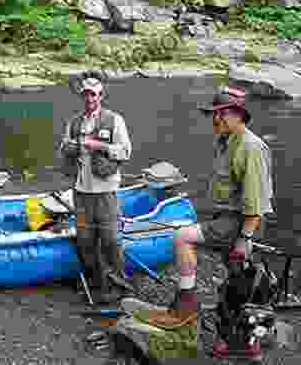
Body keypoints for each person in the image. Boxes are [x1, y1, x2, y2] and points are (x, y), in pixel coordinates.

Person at [139, 85, 274, 361]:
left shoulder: (251, 147)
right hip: (227, 220)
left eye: (221, 114)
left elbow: (257, 202)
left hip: (241, 223)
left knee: (183, 237)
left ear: (238, 114)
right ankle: (239, 342)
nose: (215, 119)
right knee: (237, 284)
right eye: (214, 113)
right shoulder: (226, 142)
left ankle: (187, 304)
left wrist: (245, 239)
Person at [59, 72, 133, 304]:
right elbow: (63, 148)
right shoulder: (73, 122)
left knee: (110, 240)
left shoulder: (115, 120)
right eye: (86, 94)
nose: (89, 98)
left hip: (105, 191)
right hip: (81, 191)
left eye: (93, 94)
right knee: (86, 241)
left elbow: (125, 151)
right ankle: (96, 283)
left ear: (101, 95)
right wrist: (69, 147)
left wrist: (98, 145)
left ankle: (119, 286)